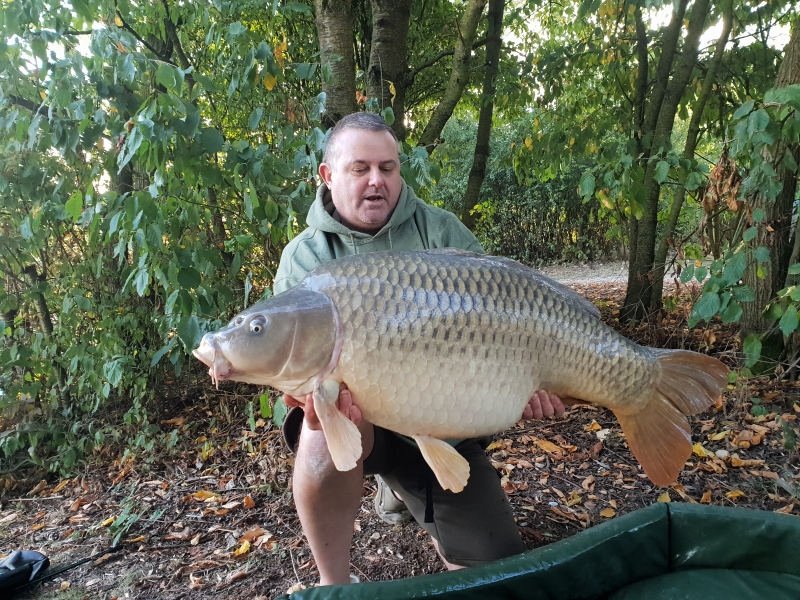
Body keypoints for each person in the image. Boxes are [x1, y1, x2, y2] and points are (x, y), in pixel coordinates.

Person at [273, 113, 564, 586]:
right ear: (327, 175)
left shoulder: (440, 233)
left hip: (441, 428)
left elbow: (503, 321)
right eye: (359, 168)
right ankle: (334, 584)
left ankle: (403, 489)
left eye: (387, 168)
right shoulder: (306, 258)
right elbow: (293, 365)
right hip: (356, 427)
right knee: (326, 428)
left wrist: (529, 387)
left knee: (493, 579)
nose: (376, 181)